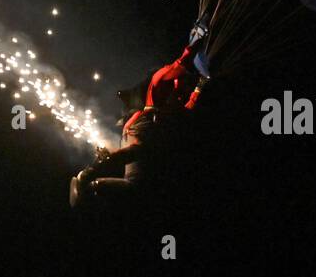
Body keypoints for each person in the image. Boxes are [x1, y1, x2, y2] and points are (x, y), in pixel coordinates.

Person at [69, 25, 213, 207]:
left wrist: (200, 87)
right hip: (140, 127)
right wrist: (196, 41)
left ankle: (93, 187)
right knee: (138, 150)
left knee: (135, 183)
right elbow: (182, 63)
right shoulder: (161, 81)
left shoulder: (178, 97)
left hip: (143, 131)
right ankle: (87, 176)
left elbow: (187, 109)